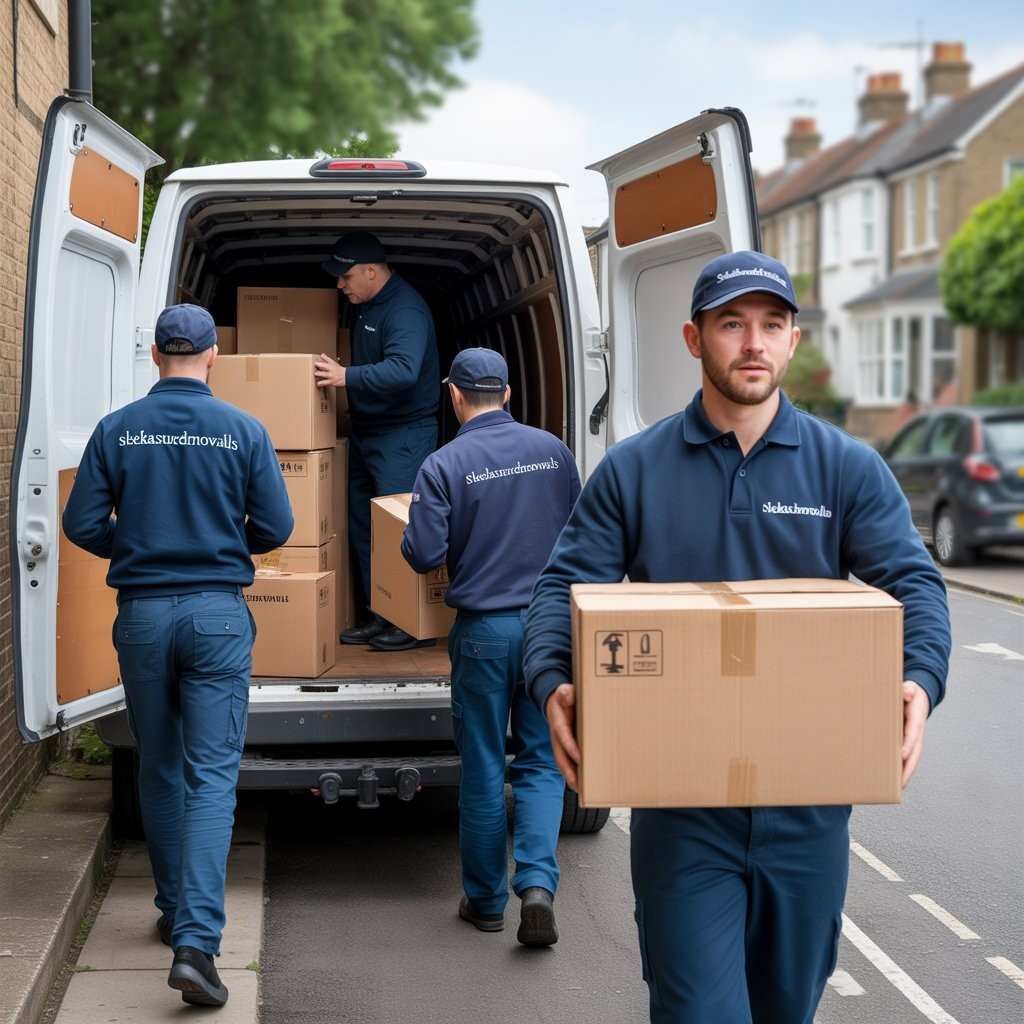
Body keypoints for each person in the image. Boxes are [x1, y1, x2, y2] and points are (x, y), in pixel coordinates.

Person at [522, 251, 951, 1022]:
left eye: (771, 325)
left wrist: (919, 681)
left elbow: (914, 584)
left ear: (793, 342)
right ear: (694, 339)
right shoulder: (634, 471)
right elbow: (563, 586)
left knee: (789, 1008)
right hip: (682, 813)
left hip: (811, 810)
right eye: (731, 324)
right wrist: (553, 677)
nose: (753, 342)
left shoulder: (845, 469)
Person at [63, 304, 293, 1007]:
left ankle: (172, 909)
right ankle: (197, 941)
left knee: (158, 764)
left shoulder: (116, 428)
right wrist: (221, 541)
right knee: (212, 776)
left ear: (157, 354)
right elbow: (278, 526)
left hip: (141, 616)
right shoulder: (244, 430)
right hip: (217, 616)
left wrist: (134, 546)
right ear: (213, 353)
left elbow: (79, 523)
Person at [402, 348, 581, 946]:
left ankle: (484, 901)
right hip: (549, 629)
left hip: (483, 633)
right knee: (539, 759)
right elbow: (580, 532)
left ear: (454, 394)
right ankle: (536, 885)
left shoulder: (443, 463)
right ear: (507, 394)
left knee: (481, 764)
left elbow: (424, 554)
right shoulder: (553, 452)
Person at [315, 231, 441, 652]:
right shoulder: (365, 304)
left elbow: (404, 371)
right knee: (365, 527)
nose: (340, 284)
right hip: (369, 432)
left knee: (399, 531)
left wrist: (346, 376)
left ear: (372, 271)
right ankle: (379, 614)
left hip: (403, 436)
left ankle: (407, 623)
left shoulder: (406, 310)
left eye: (346, 276)